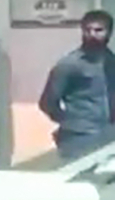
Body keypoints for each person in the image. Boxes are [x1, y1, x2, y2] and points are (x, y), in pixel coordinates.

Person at [39, 10, 115, 160]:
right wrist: (71, 122)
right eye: (87, 30)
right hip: (78, 138)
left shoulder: (111, 62)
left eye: (98, 30)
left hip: (108, 136)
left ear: (109, 32)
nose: (92, 34)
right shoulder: (70, 64)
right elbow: (47, 102)